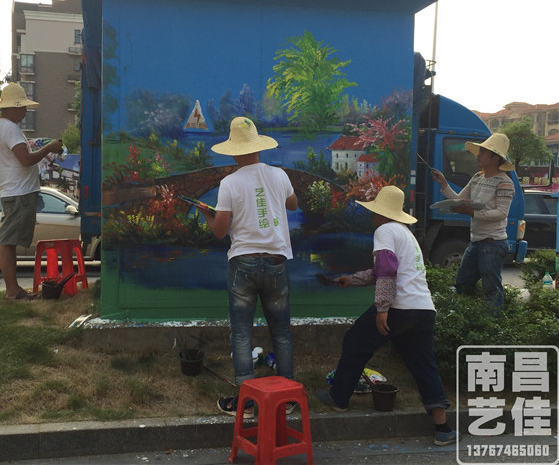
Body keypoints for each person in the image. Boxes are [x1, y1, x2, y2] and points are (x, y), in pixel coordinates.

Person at [315, 185, 457, 446]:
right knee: (424, 366)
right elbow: (381, 271)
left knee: (355, 342)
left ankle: (339, 398)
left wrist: (382, 308)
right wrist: (352, 279)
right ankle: (443, 428)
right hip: (423, 309)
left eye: (375, 211)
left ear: (382, 213)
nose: (373, 216)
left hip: (398, 307)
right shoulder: (405, 233)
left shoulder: (384, 231)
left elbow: (387, 270)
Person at [199, 116, 298, 418]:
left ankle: (246, 402)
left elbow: (220, 231)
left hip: (243, 263)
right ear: (258, 147)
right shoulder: (279, 174)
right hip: (277, 261)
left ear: (233, 152)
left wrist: (208, 216)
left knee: (242, 334)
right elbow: (293, 204)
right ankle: (287, 399)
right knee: (281, 331)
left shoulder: (229, 183)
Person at [0, 83, 63, 300]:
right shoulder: (9, 128)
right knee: (8, 240)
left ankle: (14, 290)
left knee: (9, 240)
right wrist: (49, 147)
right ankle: (13, 290)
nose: (24, 112)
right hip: (18, 191)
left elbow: (22, 158)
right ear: (13, 107)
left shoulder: (3, 126)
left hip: (16, 190)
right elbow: (25, 160)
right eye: (22, 107)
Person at [431, 133, 515, 313]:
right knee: (461, 285)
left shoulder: (505, 182)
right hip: (476, 242)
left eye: (483, 152)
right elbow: (459, 199)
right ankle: (461, 320)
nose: (478, 155)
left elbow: (501, 213)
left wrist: (472, 212)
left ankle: (493, 324)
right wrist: (443, 183)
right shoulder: (477, 177)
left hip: (493, 243)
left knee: (492, 290)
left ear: (495, 158)